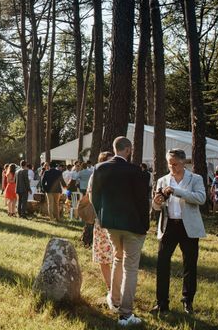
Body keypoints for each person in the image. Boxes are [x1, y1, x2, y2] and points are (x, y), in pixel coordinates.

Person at [91, 137, 149, 326]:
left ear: (115, 149)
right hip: (132, 225)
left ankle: (114, 301)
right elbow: (142, 200)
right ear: (129, 149)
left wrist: (102, 217)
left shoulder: (100, 168)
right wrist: (145, 225)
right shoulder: (134, 171)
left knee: (117, 258)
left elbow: (96, 198)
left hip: (110, 224)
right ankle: (125, 314)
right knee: (130, 267)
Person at [151, 148, 206, 315]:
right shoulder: (162, 180)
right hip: (169, 226)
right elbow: (156, 207)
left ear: (183, 162)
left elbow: (201, 199)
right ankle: (161, 303)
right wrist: (157, 202)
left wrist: (177, 191)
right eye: (169, 164)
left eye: (175, 164)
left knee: (189, 264)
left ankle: (187, 301)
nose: (172, 167)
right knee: (162, 264)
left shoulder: (195, 178)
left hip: (188, 226)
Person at [89, 152, 114, 292]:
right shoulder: (95, 176)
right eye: (108, 162)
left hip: (119, 221)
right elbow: (91, 197)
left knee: (118, 256)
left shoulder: (118, 176)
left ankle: (118, 286)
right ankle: (110, 287)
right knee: (104, 257)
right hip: (102, 220)